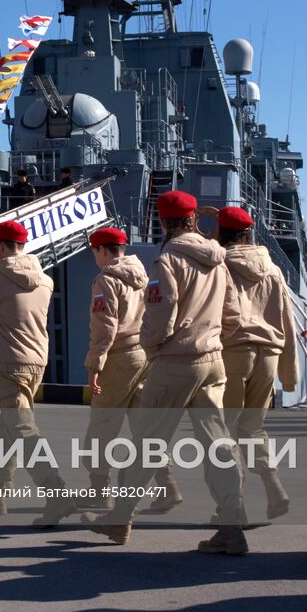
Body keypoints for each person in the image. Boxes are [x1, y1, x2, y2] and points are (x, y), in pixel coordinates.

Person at [83, 191, 245, 552]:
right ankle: (232, 527)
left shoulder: (169, 258)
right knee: (219, 446)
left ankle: (120, 518)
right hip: (212, 360)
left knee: (145, 444)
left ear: (163, 221)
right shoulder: (219, 259)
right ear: (192, 220)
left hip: (175, 362)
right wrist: (213, 340)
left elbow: (161, 312)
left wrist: (155, 348)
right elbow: (233, 314)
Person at [0, 220, 75, 528]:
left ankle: (57, 492)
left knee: (22, 430)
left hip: (8, 361)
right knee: (5, 432)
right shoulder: (44, 279)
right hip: (37, 360)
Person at [217, 206, 299, 521]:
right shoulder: (274, 270)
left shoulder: (221, 265)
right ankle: (274, 486)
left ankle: (232, 508)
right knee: (252, 428)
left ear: (221, 233)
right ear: (249, 233)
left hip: (233, 352)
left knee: (224, 432)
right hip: (269, 354)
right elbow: (287, 321)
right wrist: (289, 376)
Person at [80, 227, 149, 502]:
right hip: (143, 354)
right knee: (145, 425)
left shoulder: (106, 280)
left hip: (119, 356)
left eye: (94, 251)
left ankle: (99, 490)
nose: (94, 256)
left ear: (103, 250)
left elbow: (105, 327)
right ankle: (169, 487)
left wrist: (95, 364)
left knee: (102, 423)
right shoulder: (142, 276)